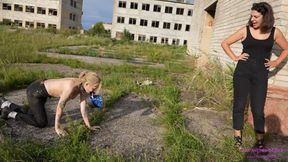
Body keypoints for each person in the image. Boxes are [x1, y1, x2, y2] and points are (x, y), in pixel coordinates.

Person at [221, 2, 288, 149]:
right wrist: (234, 57)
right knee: (239, 105)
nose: (252, 19)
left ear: (266, 17)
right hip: (242, 73)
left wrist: (276, 62)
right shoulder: (245, 30)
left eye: (256, 16)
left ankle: (259, 139)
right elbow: (225, 43)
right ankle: (238, 136)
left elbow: (286, 48)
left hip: (260, 76)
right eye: (251, 16)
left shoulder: (275, 32)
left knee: (258, 109)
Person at [0, 71, 102, 136]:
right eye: (94, 88)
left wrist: (89, 126)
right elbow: (60, 107)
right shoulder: (71, 86)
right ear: (87, 84)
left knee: (33, 113)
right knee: (41, 122)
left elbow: (83, 109)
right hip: (35, 91)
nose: (95, 91)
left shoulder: (83, 88)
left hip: (42, 92)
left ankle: (7, 104)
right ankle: (9, 113)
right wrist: (57, 127)